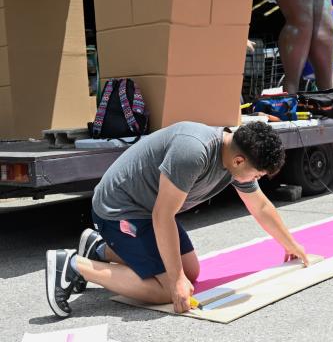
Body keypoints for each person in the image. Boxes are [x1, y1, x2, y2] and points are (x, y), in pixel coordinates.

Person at [45, 121, 309, 318]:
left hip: (148, 211)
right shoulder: (194, 152)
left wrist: (290, 244)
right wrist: (175, 281)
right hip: (119, 210)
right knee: (165, 289)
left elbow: (259, 205)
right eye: (257, 175)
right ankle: (72, 265)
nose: (256, 180)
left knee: (190, 273)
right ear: (240, 160)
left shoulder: (234, 160)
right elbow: (163, 216)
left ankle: (100, 249)